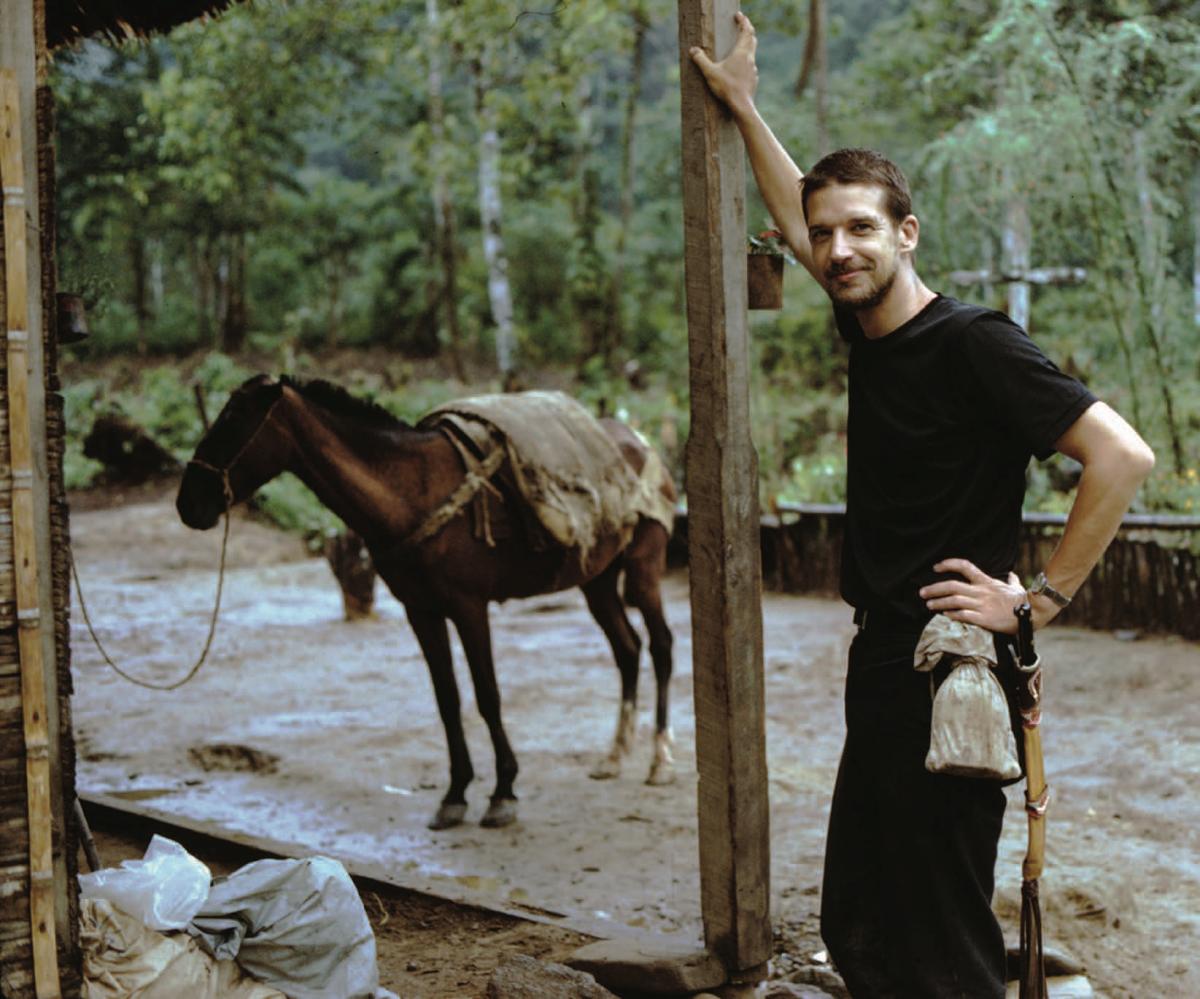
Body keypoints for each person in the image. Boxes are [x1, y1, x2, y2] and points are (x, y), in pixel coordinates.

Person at [690, 13, 1155, 998]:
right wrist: (741, 107)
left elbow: (1120, 457)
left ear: (908, 232)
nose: (837, 248)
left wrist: (1038, 603)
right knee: (863, 921)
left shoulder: (976, 344)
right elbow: (804, 215)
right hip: (883, 657)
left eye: (863, 228)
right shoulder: (871, 328)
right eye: (824, 234)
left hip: (952, 666)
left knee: (939, 935)